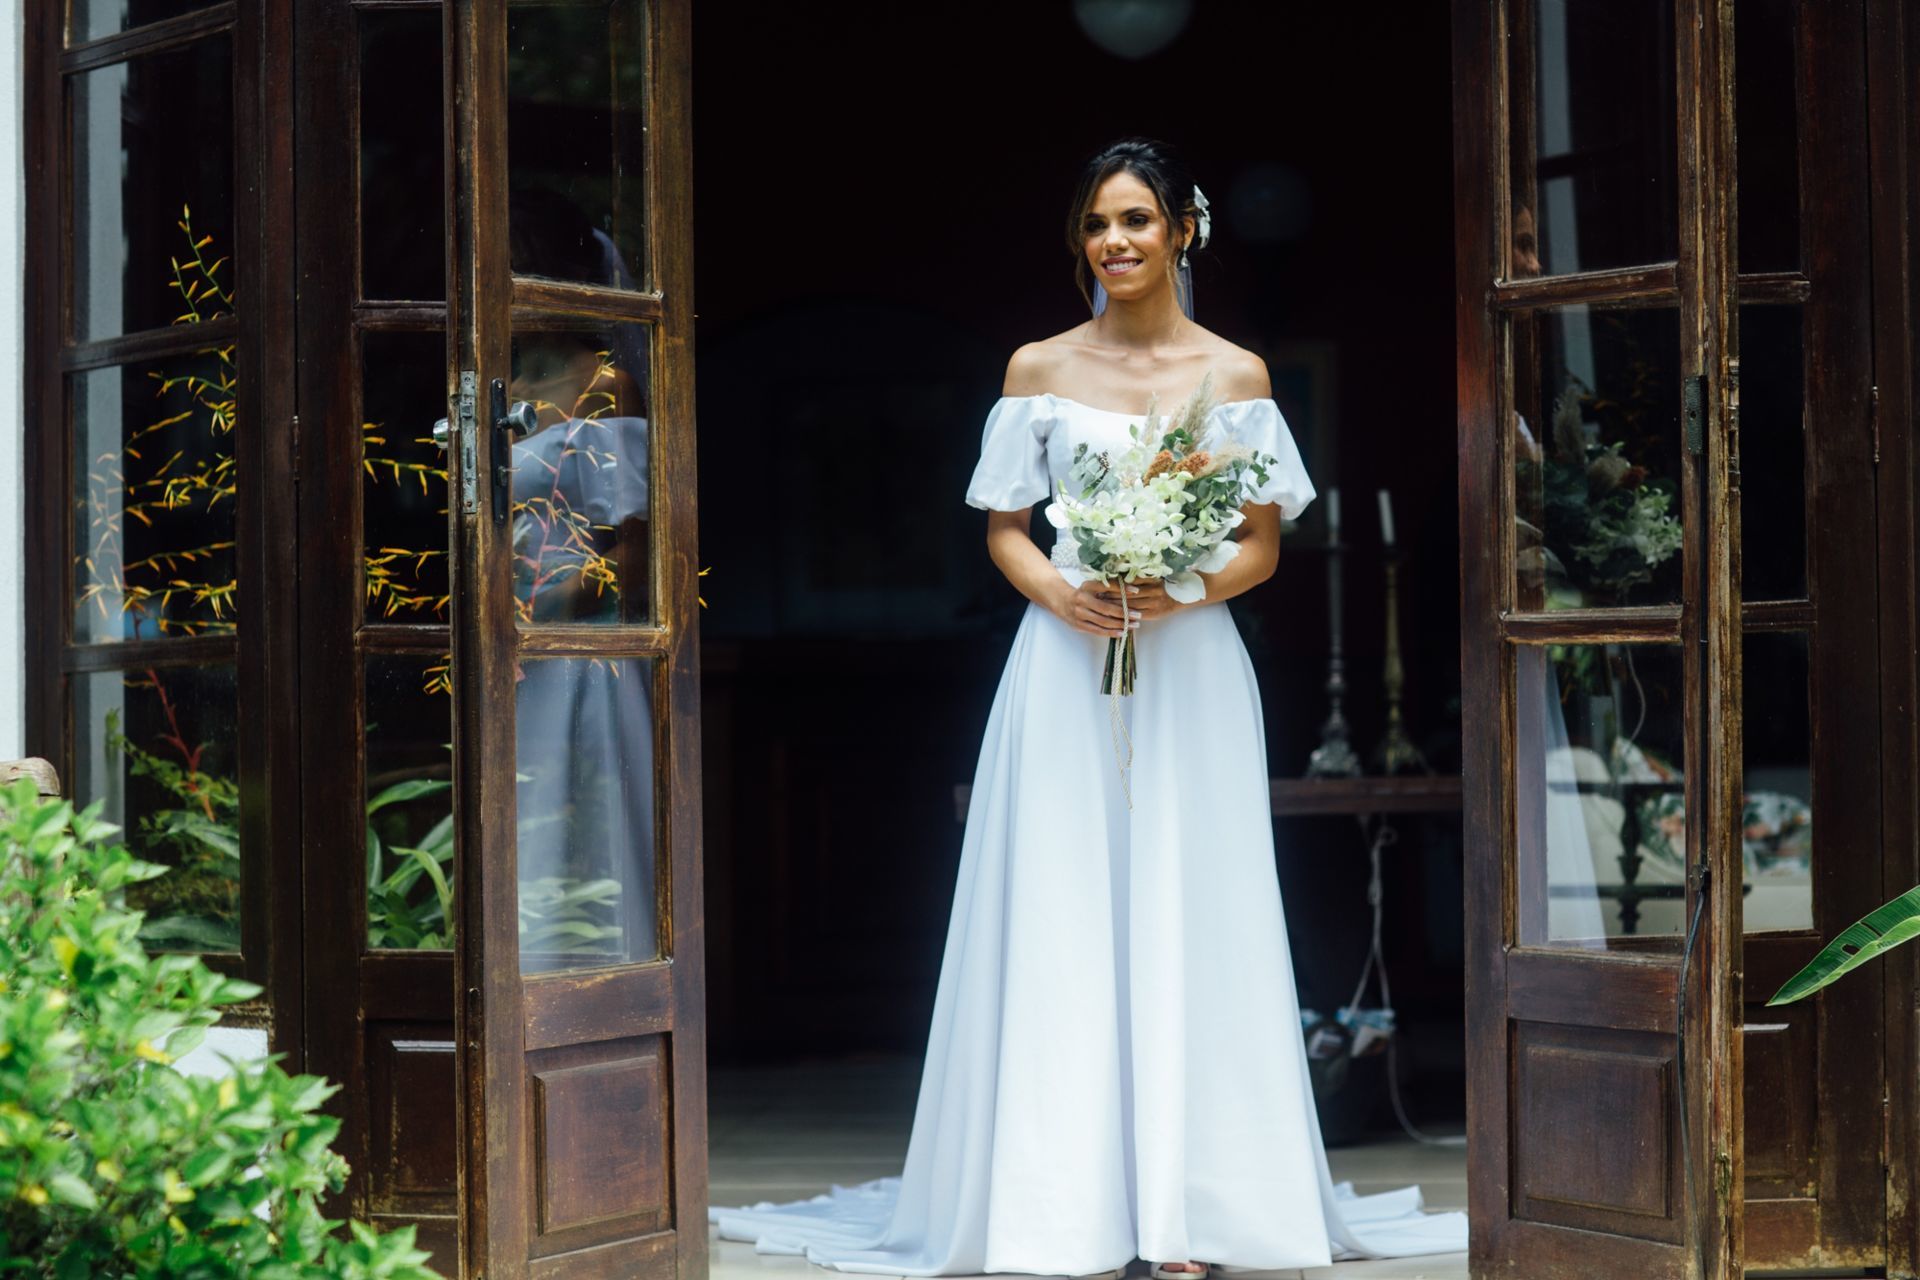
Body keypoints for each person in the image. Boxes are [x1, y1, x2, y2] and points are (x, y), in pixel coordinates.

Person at [711, 137, 1467, 1277]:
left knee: (1189, 900)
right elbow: (1005, 527)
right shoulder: (1036, 367)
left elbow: (1262, 546)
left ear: (1182, 232)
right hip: (1064, 665)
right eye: (1099, 224)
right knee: (1066, 902)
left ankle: (1191, 1211)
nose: (1116, 242)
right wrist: (1067, 590)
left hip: (1193, 666)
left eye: (1138, 221)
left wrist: (1175, 589)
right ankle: (1052, 1205)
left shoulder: (1239, 376)